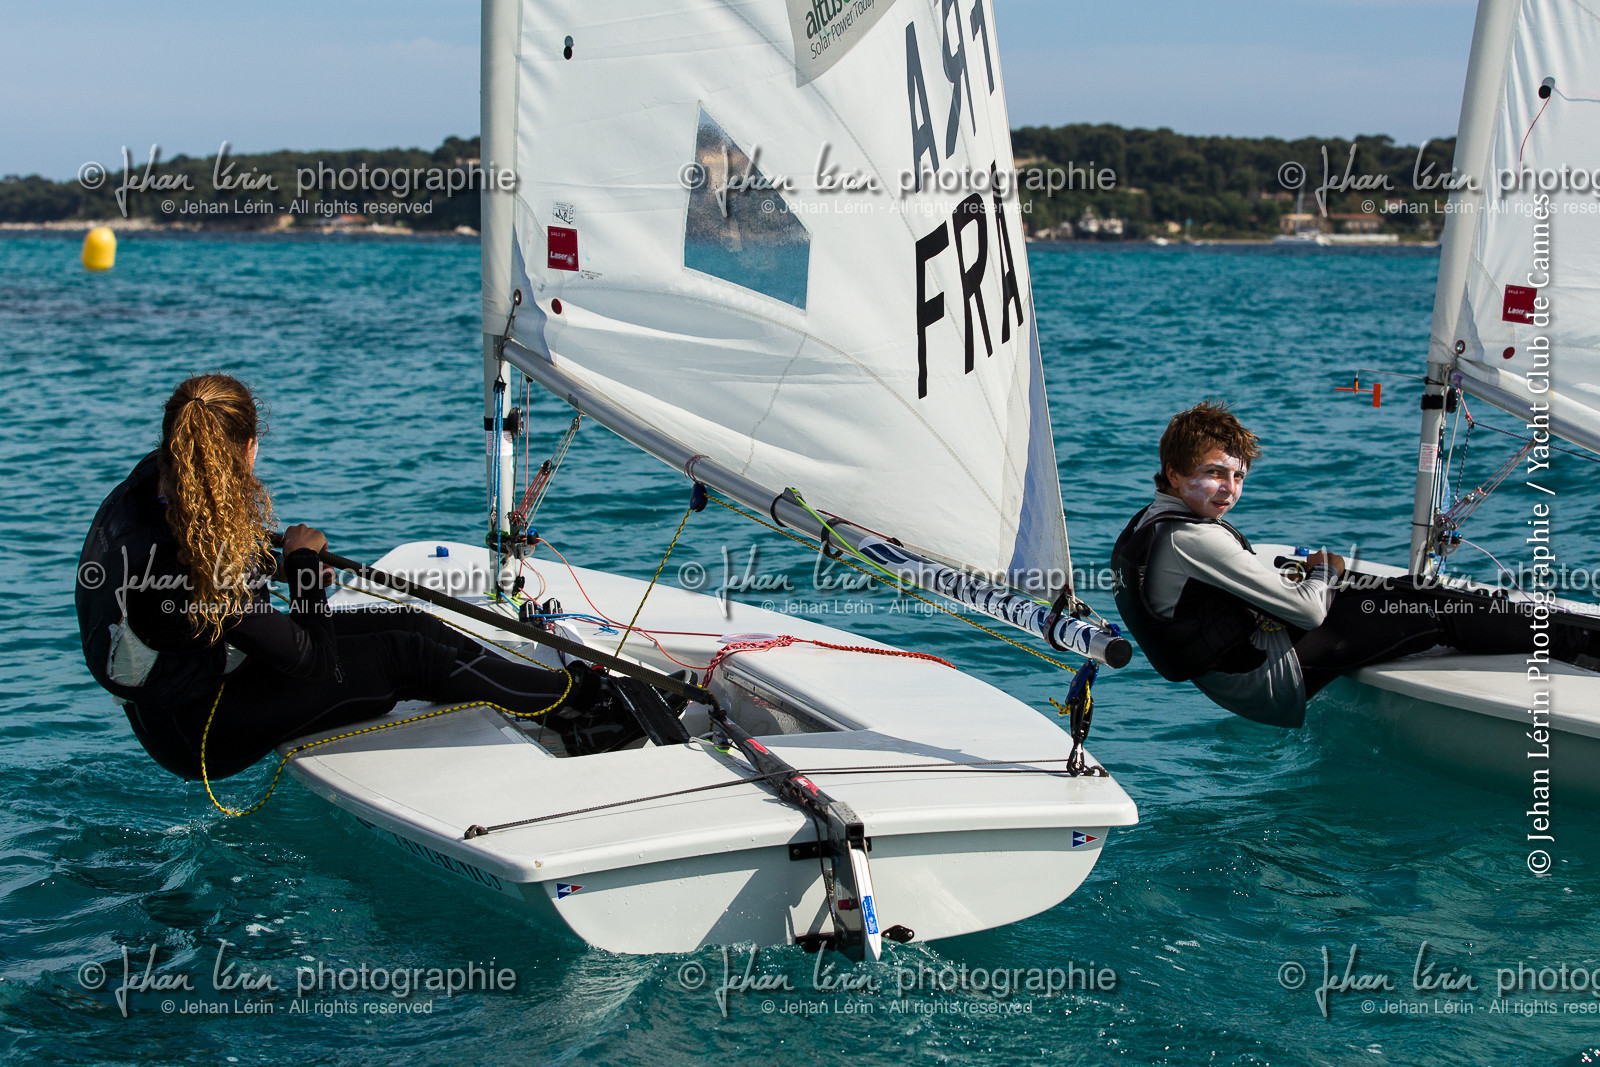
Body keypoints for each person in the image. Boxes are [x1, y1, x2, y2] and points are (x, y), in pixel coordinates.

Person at [76, 373, 638, 781]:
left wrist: (278, 563)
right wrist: (300, 571)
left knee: (408, 622)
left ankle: (568, 698)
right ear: (247, 449)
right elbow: (313, 658)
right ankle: (587, 702)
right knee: (409, 653)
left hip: (179, 699)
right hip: (199, 733)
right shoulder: (185, 566)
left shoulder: (151, 488)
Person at [1111, 401, 1598, 727]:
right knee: (1432, 611)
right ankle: (1580, 642)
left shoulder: (1151, 522)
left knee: (1407, 590)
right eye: (1214, 473)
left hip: (1246, 664)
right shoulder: (1192, 538)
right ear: (1175, 473)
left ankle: (1558, 628)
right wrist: (1327, 570)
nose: (1229, 488)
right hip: (1267, 679)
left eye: (1238, 476)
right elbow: (1309, 613)